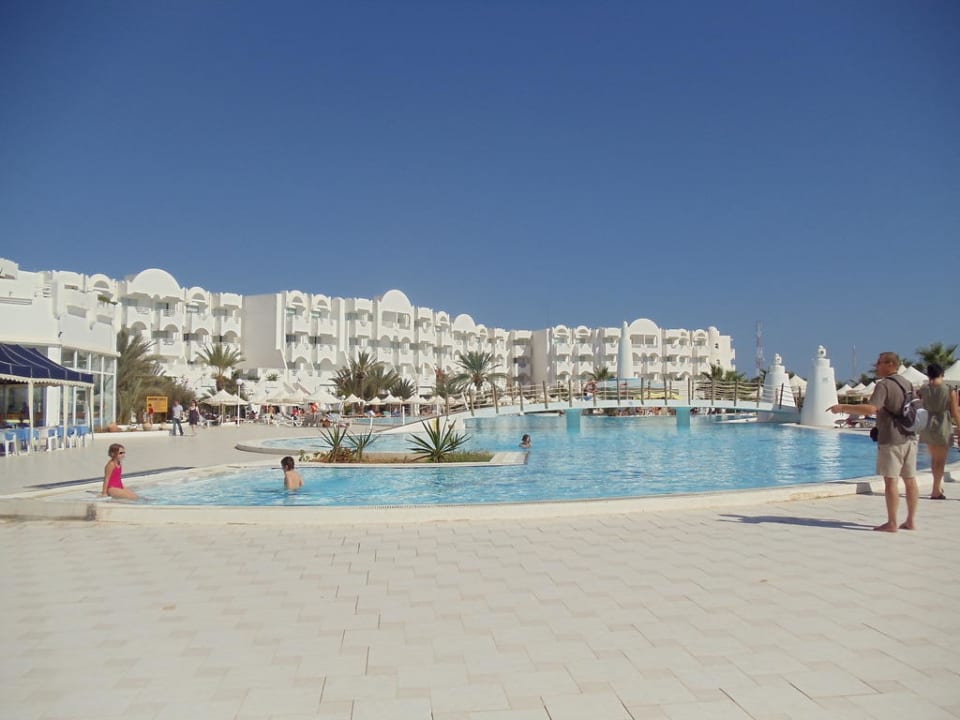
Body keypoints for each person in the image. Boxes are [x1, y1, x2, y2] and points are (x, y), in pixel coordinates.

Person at [829, 352, 918, 532]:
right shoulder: (907, 383)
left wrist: (842, 407)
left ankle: (892, 523)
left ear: (890, 364)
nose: (876, 366)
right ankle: (910, 521)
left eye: (879, 363)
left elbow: (871, 408)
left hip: (892, 439)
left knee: (891, 481)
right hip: (910, 436)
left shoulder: (884, 385)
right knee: (910, 480)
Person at [919, 364, 960, 500]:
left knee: (934, 459)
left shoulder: (924, 389)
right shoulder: (949, 389)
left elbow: (921, 406)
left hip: (928, 424)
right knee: (941, 461)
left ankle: (937, 487)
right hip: (943, 425)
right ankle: (936, 489)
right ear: (942, 374)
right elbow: (955, 412)